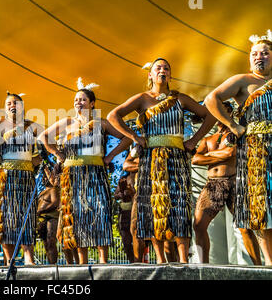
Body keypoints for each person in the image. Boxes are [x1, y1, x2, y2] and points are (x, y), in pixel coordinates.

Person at [107, 58, 215, 263]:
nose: (162, 71)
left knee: (179, 205)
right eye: (158, 68)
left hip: (177, 158)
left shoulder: (180, 99)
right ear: (150, 75)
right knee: (154, 205)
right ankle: (160, 259)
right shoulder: (142, 98)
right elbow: (114, 115)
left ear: (170, 75)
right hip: (151, 159)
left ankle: (183, 259)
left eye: (166, 68)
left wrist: (193, 140)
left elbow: (209, 116)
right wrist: (135, 137)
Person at [39, 78, 132, 264]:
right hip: (72, 176)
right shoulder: (67, 123)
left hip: (96, 174)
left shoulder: (102, 123)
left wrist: (109, 156)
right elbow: (43, 136)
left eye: (82, 99)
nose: (78, 103)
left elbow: (127, 138)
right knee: (77, 215)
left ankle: (103, 261)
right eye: (76, 100)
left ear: (92, 103)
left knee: (100, 213)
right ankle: (82, 263)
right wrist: (56, 152)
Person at [204, 30, 272, 265]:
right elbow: (211, 99)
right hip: (255, 152)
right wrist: (233, 125)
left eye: (264, 53)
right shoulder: (244, 80)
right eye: (254, 53)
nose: (258, 57)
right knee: (260, 207)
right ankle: (268, 265)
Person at [0, 92, 43, 266]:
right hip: (5, 175)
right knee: (6, 217)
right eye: (9, 103)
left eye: (16, 103)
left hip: (26, 175)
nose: (13, 106)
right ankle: (8, 260)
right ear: (5, 108)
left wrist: (35, 160)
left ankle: (29, 258)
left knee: (26, 215)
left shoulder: (32, 125)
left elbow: (45, 148)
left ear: (22, 107)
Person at [192, 101, 262, 264]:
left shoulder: (237, 132)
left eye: (221, 111)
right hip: (213, 184)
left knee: (245, 227)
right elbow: (195, 159)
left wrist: (210, 156)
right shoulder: (208, 139)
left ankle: (257, 266)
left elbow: (232, 152)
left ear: (229, 113)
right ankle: (204, 267)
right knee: (198, 225)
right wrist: (221, 154)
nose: (216, 115)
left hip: (234, 181)